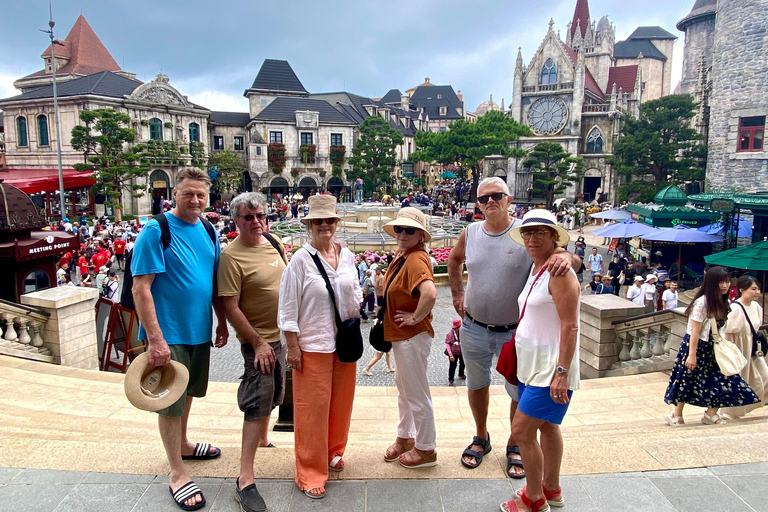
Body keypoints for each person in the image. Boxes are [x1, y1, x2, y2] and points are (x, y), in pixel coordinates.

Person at [447, 177, 574, 478]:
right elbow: (453, 261)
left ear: (509, 198)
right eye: (483, 198)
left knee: (517, 391)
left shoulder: (524, 233)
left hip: (513, 332)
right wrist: (456, 293)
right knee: (476, 384)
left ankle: (516, 442)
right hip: (474, 326)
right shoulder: (470, 232)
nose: (490, 202)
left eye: (496, 196)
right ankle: (481, 437)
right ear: (477, 204)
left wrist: (568, 255)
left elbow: (554, 254)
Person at [132, 168, 228, 511]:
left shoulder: (208, 230)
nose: (196, 200)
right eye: (188, 194)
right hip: (168, 334)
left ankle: (184, 444)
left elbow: (213, 282)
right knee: (170, 402)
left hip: (198, 329)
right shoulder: (156, 230)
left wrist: (221, 323)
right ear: (174, 193)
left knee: (187, 393)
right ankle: (177, 472)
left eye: (201, 195)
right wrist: (156, 340)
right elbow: (140, 288)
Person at [277, 195, 361, 500]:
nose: (324, 225)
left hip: (343, 342)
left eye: (329, 220)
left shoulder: (347, 254)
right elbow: (287, 306)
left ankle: (334, 450)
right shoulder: (300, 260)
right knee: (312, 410)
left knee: (341, 401)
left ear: (336, 222)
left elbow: (354, 292)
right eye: (318, 221)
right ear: (310, 225)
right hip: (312, 344)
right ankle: (309, 470)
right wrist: (292, 346)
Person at [501, 209, 580, 512]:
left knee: (521, 430)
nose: (532, 239)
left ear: (553, 237)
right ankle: (551, 488)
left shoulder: (559, 272)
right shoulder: (539, 267)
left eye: (540, 233)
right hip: (532, 364)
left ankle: (533, 499)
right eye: (527, 233)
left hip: (550, 368)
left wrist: (561, 373)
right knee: (547, 426)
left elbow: (570, 325)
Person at [218, 192, 287, 512]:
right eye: (249, 217)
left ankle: (262, 440)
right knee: (257, 405)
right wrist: (258, 343)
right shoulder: (232, 256)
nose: (257, 222)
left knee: (275, 397)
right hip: (258, 343)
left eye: (261, 215)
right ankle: (245, 478)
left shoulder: (274, 243)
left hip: (282, 340)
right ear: (237, 221)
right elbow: (229, 306)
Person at [664, 267, 759, 426]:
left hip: (715, 346)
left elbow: (722, 328)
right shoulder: (702, 302)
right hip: (696, 345)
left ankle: (710, 413)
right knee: (687, 378)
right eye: (721, 282)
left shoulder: (726, 302)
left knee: (725, 378)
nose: (725, 285)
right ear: (712, 283)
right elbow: (695, 330)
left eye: (727, 282)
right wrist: (692, 355)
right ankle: (676, 414)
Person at [381, 207, 438, 469]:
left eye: (409, 230)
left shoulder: (415, 259)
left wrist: (415, 317)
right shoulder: (404, 253)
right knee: (406, 392)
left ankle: (426, 448)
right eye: (399, 229)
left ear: (421, 235)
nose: (402, 234)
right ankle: (405, 437)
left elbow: (430, 293)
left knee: (415, 393)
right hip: (403, 337)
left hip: (411, 336)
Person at [722, 275, 768, 419]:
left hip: (752, 348)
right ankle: (731, 411)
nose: (757, 292)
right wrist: (733, 353)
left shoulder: (756, 307)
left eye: (758, 289)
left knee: (763, 376)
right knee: (741, 379)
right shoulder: (735, 308)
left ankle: (750, 404)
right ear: (742, 290)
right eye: (753, 289)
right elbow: (728, 331)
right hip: (739, 346)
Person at [445, 319, 465, 386]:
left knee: (463, 363)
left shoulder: (464, 333)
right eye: (456, 328)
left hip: (462, 352)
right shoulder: (450, 335)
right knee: (452, 366)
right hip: (453, 353)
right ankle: (451, 379)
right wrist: (450, 355)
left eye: (459, 327)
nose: (457, 329)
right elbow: (447, 344)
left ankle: (461, 373)